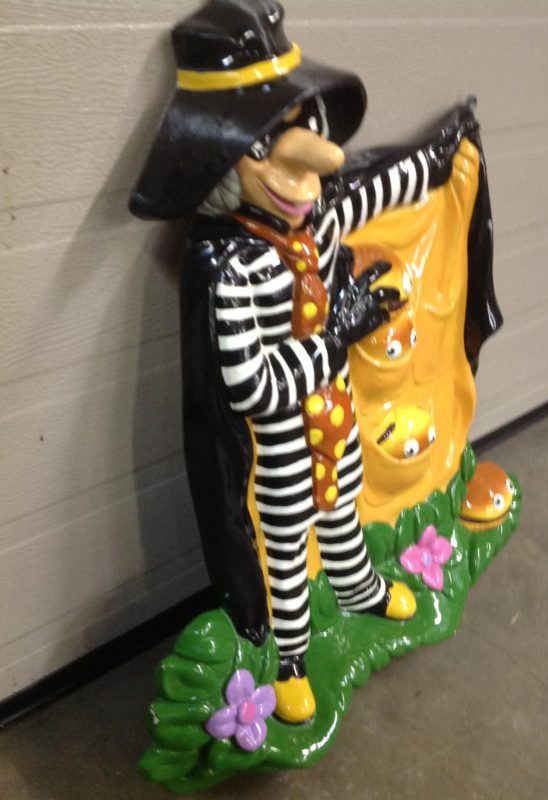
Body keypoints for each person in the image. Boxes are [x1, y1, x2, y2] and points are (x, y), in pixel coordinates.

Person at [129, 0, 499, 723]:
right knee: (288, 542)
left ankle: (357, 585)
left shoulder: (315, 222)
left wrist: (441, 154)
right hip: (279, 445)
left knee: (343, 508)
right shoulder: (229, 270)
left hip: (334, 415)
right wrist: (336, 337)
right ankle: (291, 654)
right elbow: (251, 384)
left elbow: (374, 186)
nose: (305, 175)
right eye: (269, 147)